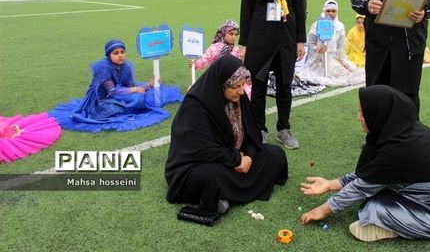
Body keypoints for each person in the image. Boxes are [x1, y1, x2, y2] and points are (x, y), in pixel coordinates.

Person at [300, 85, 430, 242]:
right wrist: (330, 184)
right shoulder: (400, 132)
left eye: (363, 112)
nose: (358, 117)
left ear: (379, 114)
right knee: (374, 196)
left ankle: (391, 227)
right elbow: (372, 173)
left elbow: (362, 185)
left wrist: (323, 210)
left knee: (373, 207)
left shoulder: (399, 149)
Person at [165, 55, 288, 217]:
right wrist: (236, 160)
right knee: (213, 176)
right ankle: (230, 191)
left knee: (274, 154)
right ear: (222, 84)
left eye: (243, 85)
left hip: (235, 158)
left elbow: (252, 134)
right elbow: (201, 149)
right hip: (198, 165)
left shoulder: (239, 98)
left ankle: (226, 195)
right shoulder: (195, 106)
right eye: (236, 86)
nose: (241, 91)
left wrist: (248, 159)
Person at [239, 0, 306, 149]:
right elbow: (246, 9)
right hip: (260, 37)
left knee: (285, 84)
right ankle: (260, 129)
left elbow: (298, 7)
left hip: (286, 36)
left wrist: (300, 40)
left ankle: (284, 128)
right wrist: (244, 44)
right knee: (258, 85)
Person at [50, 39, 182, 132]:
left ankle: (131, 107)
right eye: (116, 53)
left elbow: (130, 86)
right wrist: (136, 89)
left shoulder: (126, 67)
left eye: (122, 52)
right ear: (109, 55)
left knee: (139, 98)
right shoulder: (104, 67)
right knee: (133, 98)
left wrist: (148, 86)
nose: (120, 55)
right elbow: (112, 92)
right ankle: (126, 109)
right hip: (102, 99)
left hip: (120, 93)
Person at [296, 0, 364, 86]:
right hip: (319, 59)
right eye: (328, 11)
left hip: (334, 57)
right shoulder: (316, 25)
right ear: (324, 11)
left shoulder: (340, 26)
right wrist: (317, 48)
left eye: (333, 11)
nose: (331, 13)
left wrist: (341, 59)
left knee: (351, 71)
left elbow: (340, 46)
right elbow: (310, 43)